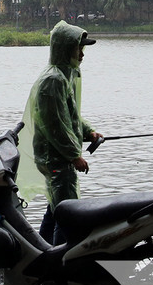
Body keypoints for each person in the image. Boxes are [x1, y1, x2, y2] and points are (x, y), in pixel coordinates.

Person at [18, 20, 105, 244]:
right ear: (65, 49)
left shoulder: (63, 77)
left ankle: (41, 252)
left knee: (56, 209)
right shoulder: (53, 81)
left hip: (57, 157)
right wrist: (73, 155)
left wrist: (90, 132)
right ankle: (58, 263)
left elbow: (70, 116)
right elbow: (53, 124)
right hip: (56, 158)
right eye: (78, 48)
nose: (82, 54)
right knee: (68, 217)